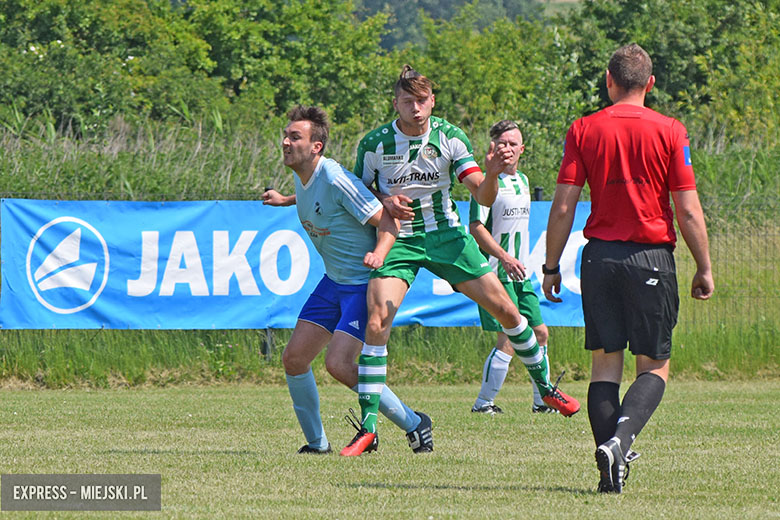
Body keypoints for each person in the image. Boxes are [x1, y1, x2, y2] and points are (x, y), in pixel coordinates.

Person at [341, 65, 580, 457]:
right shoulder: (375, 145)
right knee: (376, 321)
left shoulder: (450, 137)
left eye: (422, 101)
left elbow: (482, 197)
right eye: (407, 101)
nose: (416, 109)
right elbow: (358, 194)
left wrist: (490, 173)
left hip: (448, 237)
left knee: (507, 309)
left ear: (432, 101)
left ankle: (546, 388)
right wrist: (385, 201)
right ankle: (368, 427)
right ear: (395, 103)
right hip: (399, 240)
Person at [542, 44, 714, 493]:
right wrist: (704, 266)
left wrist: (551, 264)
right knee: (654, 367)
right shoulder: (670, 130)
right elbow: (689, 210)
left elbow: (563, 205)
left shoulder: (584, 128)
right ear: (650, 83)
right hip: (651, 257)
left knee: (604, 367)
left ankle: (610, 471)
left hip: (599, 257)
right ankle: (620, 442)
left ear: (608, 80)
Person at [262, 105, 431, 455]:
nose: (285, 142)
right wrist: (284, 201)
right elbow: (317, 198)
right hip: (332, 282)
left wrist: (380, 253)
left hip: (360, 286)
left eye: (295, 137)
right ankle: (317, 444)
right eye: (286, 135)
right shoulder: (303, 174)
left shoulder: (336, 177)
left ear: (316, 147)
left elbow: (388, 220)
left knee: (338, 365)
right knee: (294, 359)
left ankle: (416, 424)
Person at [469, 120, 558, 415]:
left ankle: (541, 402)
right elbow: (476, 228)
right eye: (502, 143)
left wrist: (518, 261)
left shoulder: (523, 180)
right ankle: (483, 404)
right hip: (496, 273)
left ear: (522, 149)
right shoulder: (485, 183)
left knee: (540, 332)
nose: (508, 149)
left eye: (513, 143)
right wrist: (504, 257)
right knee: (508, 338)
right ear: (493, 148)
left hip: (522, 274)